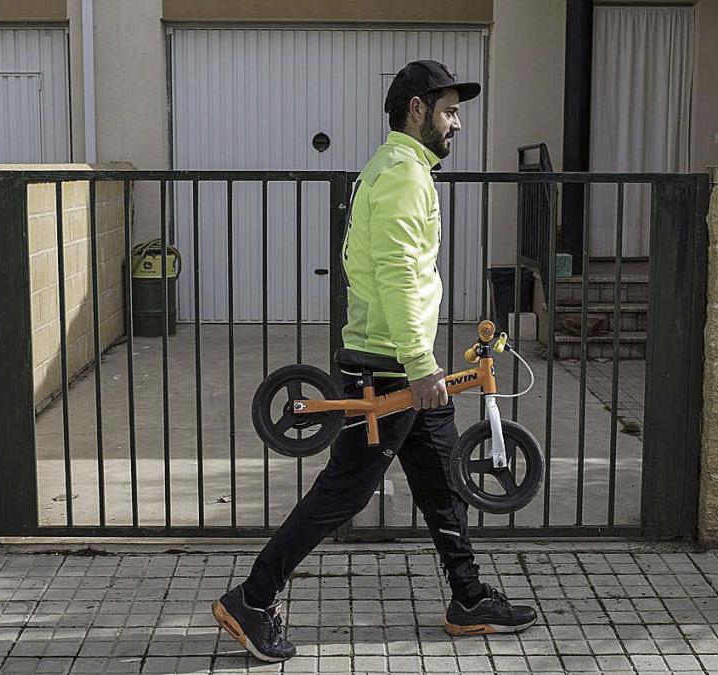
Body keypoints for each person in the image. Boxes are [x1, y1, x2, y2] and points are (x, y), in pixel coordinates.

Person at [213, 60, 537, 663]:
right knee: (344, 494)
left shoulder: (401, 169)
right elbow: (396, 275)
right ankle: (252, 599)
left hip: (404, 360)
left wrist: (423, 362)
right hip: (391, 366)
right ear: (417, 109)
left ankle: (467, 597)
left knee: (441, 481)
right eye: (448, 110)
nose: (457, 123)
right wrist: (419, 365)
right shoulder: (402, 178)